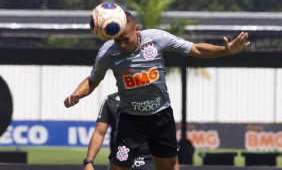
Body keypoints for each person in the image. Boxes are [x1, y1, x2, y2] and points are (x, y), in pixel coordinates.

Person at [64, 10, 250, 170]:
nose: (121, 45)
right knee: (118, 166)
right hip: (131, 120)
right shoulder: (107, 52)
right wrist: (76, 95)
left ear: (137, 30)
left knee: (168, 167)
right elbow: (92, 80)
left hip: (161, 116)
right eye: (117, 40)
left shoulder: (157, 39)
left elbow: (196, 50)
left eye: (125, 40)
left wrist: (226, 51)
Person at [84, 92, 162, 170]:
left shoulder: (154, 100)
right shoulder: (111, 100)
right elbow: (99, 132)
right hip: (119, 162)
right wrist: (89, 161)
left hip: (149, 162)